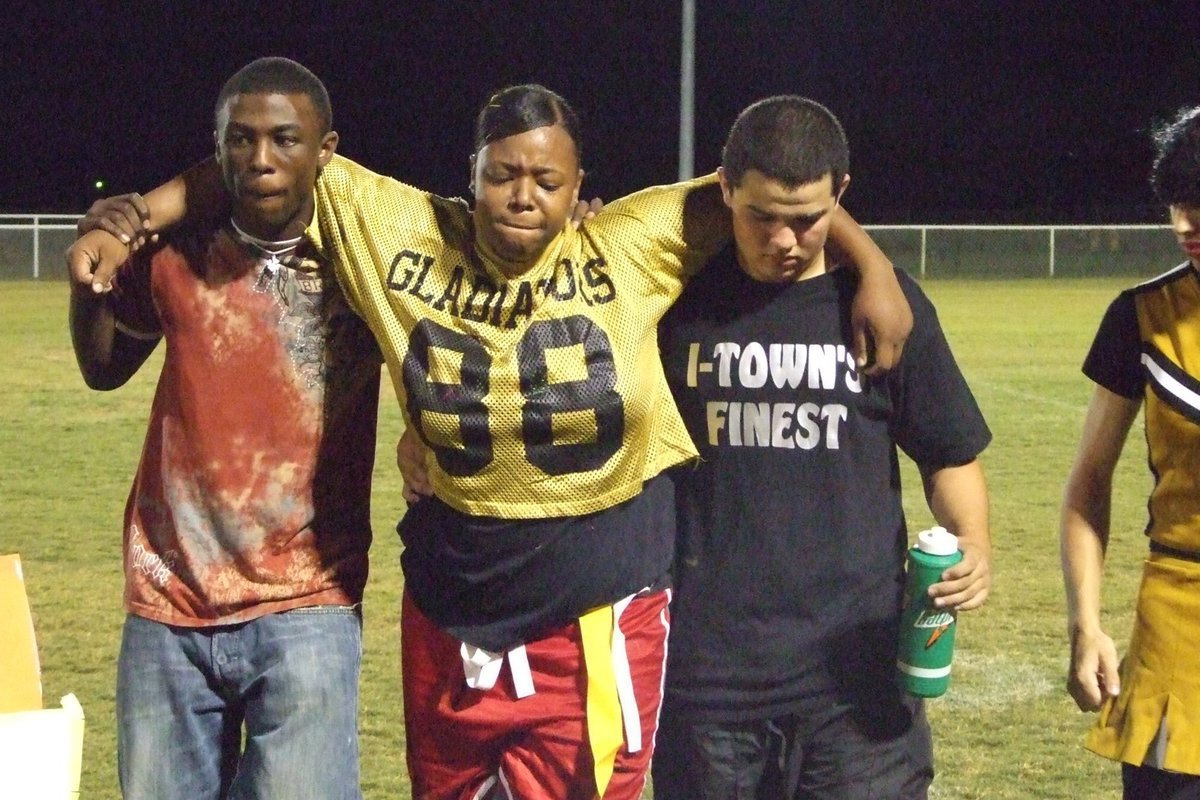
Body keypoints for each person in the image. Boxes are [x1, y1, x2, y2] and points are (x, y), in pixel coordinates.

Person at [71, 78, 912, 800]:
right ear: (469, 174)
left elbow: (773, 188)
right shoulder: (401, 229)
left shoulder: (632, 239)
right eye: (502, 173)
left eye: (547, 178)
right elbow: (268, 170)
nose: (522, 194)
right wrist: (132, 217)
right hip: (450, 593)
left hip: (595, 598)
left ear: (583, 184)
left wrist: (869, 264)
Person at [649, 96, 992, 798]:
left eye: (806, 219)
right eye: (760, 215)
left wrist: (975, 541)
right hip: (707, 687)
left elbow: (949, 452)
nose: (783, 238)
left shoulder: (885, 309)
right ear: (724, 189)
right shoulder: (671, 302)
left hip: (857, 688)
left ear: (840, 197)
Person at [68, 58, 381, 800]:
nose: (262, 159)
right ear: (218, 151)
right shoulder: (176, 256)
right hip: (167, 604)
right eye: (240, 141)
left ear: (326, 149)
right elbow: (102, 369)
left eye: (284, 139)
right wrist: (91, 283)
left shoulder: (364, 262)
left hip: (310, 605)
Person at [1061, 105, 1200, 799]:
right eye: (1178, 203)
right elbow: (1089, 481)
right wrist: (1085, 623)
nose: (1185, 225)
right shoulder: (1140, 318)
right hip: (1178, 623)